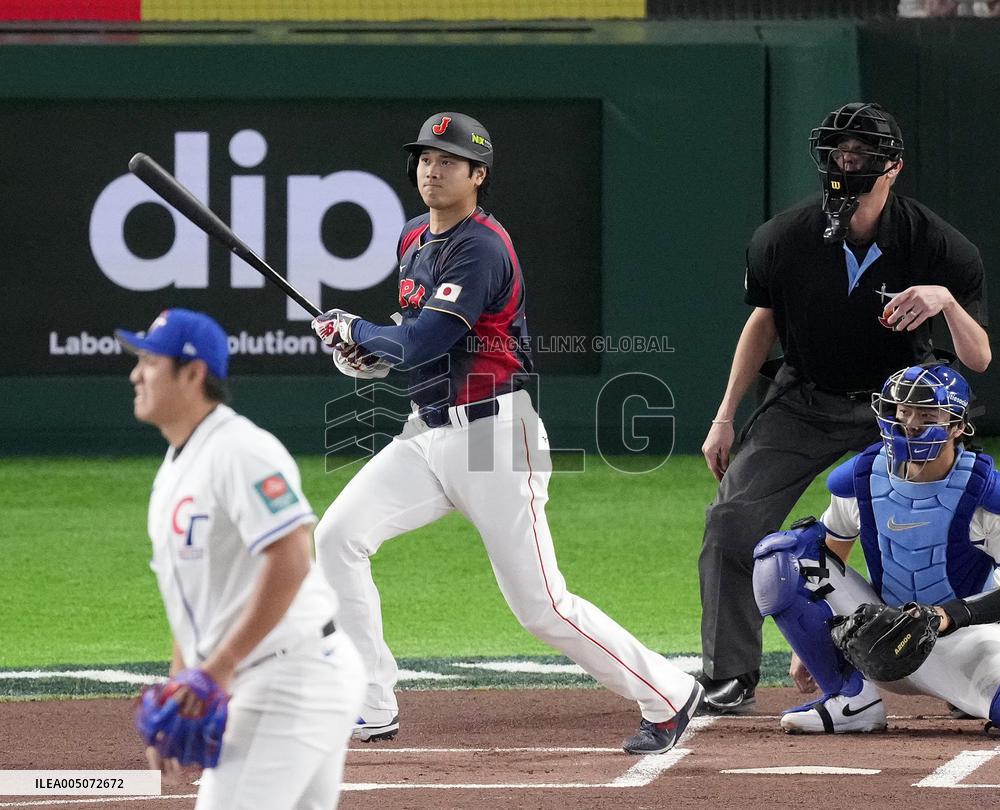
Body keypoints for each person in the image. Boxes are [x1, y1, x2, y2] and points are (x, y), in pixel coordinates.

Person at [310, 111, 702, 755]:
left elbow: (434, 335)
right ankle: (371, 703)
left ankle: (667, 691)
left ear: (478, 175)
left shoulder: (483, 245)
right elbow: (409, 343)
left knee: (540, 606)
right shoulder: (413, 237)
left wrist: (360, 332)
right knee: (338, 537)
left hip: (494, 439)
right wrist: (362, 352)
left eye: (448, 161)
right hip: (424, 435)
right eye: (425, 159)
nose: (432, 170)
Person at [698, 101, 990, 714]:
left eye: (861, 153)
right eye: (839, 151)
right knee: (732, 522)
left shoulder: (936, 243)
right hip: (803, 400)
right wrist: (725, 415)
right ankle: (731, 675)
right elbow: (763, 322)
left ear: (894, 168)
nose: (847, 161)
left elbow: (979, 358)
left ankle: (964, 662)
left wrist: (945, 301)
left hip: (900, 414)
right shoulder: (783, 237)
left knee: (938, 528)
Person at [116, 308, 363, 810]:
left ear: (192, 373)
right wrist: (182, 684)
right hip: (278, 677)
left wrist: (218, 670)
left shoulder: (241, 451)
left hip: (290, 679)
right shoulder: (175, 469)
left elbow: (291, 556)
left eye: (149, 361)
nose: (135, 374)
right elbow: (193, 600)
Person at [751, 363, 1000, 733]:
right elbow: (827, 559)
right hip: (879, 636)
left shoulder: (984, 494)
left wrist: (949, 615)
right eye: (904, 412)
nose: (911, 424)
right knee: (783, 555)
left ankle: (971, 697)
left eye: (928, 415)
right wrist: (809, 643)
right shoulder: (865, 477)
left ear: (958, 426)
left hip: (964, 643)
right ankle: (851, 700)